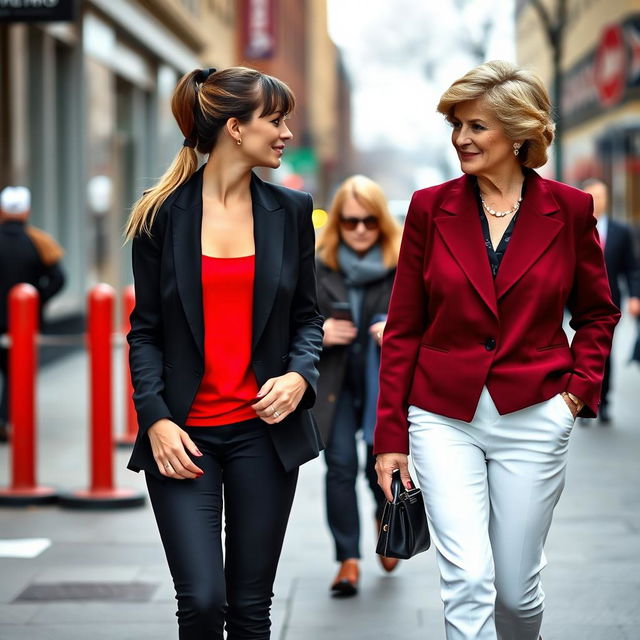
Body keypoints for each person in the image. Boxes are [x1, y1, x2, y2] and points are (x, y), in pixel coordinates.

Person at [374, 60, 620, 640]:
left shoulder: (571, 209)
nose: (461, 138)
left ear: (518, 132)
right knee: (468, 580)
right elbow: (404, 328)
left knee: (516, 591)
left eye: (477, 126)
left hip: (536, 412)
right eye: (456, 125)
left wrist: (575, 399)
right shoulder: (430, 209)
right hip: (442, 417)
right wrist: (390, 438)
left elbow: (596, 313)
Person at [124, 67, 324, 639]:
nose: (286, 133)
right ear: (235, 128)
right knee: (203, 603)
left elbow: (307, 317)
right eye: (276, 120)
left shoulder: (290, 213)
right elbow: (146, 332)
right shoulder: (161, 215)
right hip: (184, 438)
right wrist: (156, 419)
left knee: (250, 608)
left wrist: (299, 376)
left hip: (265, 437)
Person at [314, 175, 401, 596]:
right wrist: (321, 331)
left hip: (382, 384)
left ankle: (386, 523)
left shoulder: (401, 263)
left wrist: (395, 329)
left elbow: (430, 319)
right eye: (351, 222)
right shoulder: (319, 262)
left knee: (378, 468)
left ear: (381, 221)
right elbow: (292, 319)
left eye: (369, 220)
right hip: (335, 384)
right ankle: (347, 558)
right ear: (338, 225)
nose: (361, 229)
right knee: (341, 467)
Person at [0, 186, 65, 443]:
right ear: (26, 210)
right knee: (16, 375)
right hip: (23, 324)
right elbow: (58, 278)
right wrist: (37, 300)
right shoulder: (39, 241)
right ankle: (6, 419)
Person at [580, 178, 640, 424]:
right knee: (580, 352)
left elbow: (632, 268)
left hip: (609, 303)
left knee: (604, 353)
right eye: (592, 196)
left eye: (602, 196)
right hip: (578, 303)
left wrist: (635, 296)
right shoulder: (574, 227)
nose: (598, 201)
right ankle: (582, 399)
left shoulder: (621, 232)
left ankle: (603, 402)